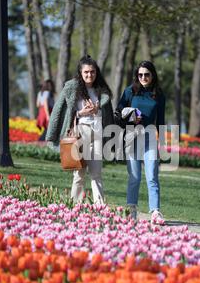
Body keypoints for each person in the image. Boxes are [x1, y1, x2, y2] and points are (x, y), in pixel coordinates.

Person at [45, 55, 114, 204]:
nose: (90, 75)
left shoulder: (101, 90)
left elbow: (107, 114)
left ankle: (100, 207)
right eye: (86, 72)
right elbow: (60, 111)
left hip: (97, 133)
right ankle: (74, 205)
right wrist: (80, 113)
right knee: (79, 173)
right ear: (81, 73)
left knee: (96, 173)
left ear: (97, 72)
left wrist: (97, 109)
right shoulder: (72, 88)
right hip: (80, 133)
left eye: (93, 72)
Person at [116, 61, 166, 225]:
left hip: (150, 137)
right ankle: (131, 210)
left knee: (152, 176)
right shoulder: (130, 92)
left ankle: (155, 211)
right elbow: (118, 113)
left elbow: (161, 121)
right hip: (132, 136)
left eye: (147, 74)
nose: (143, 77)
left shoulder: (158, 95)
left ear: (152, 75)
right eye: (140, 75)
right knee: (135, 177)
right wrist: (131, 117)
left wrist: (162, 145)